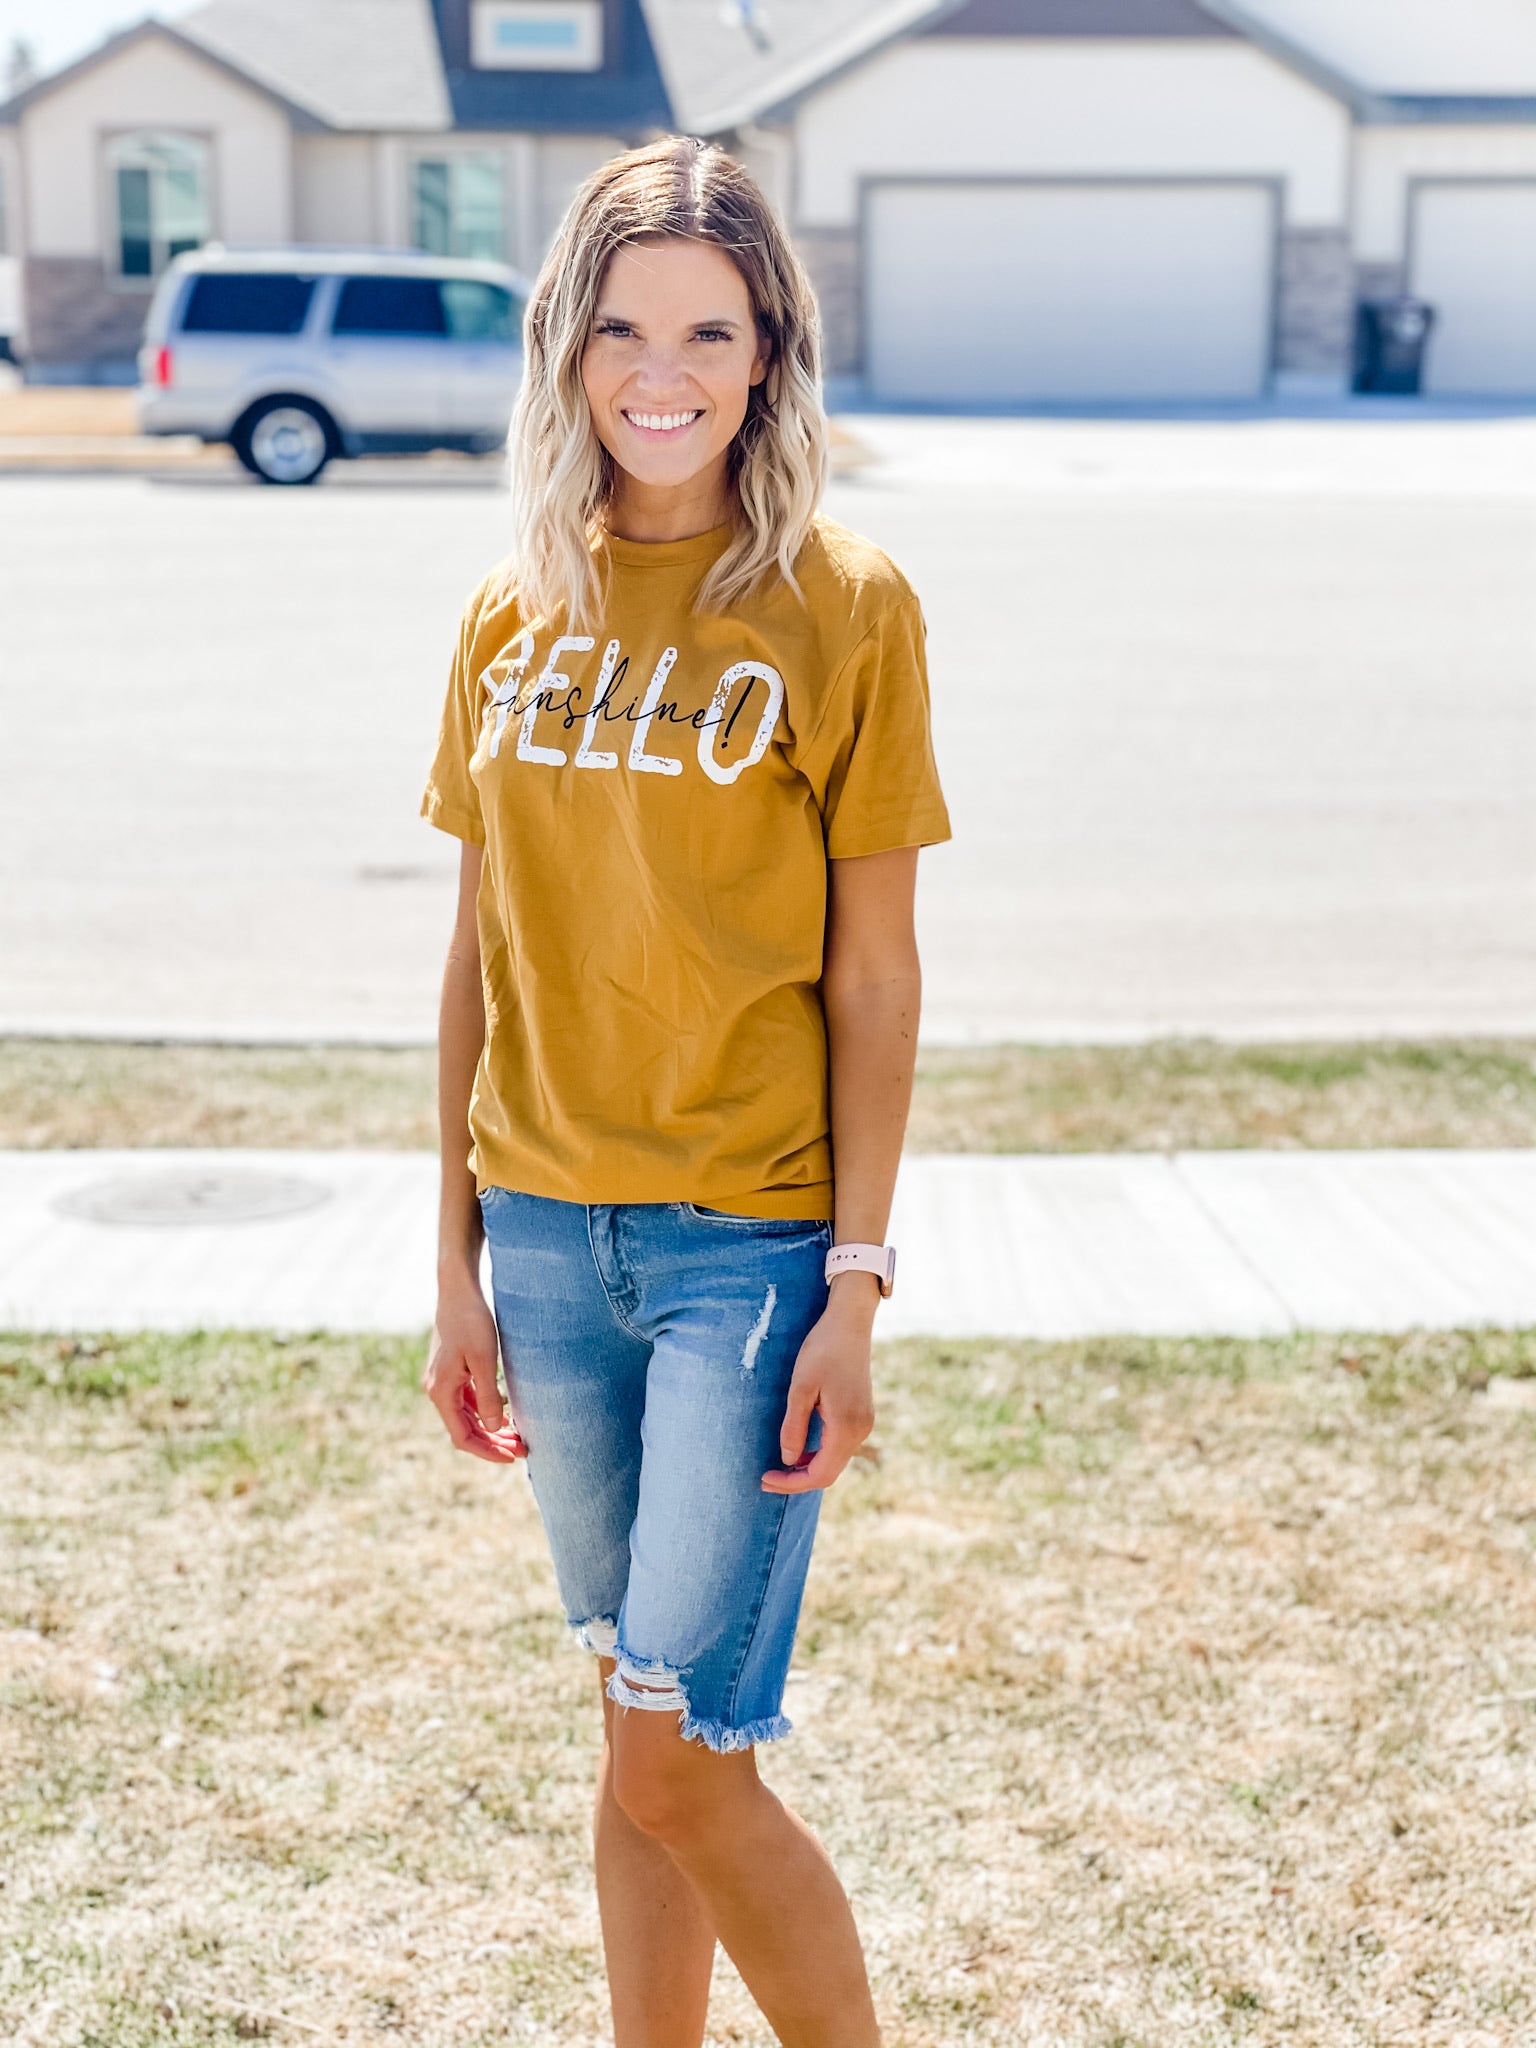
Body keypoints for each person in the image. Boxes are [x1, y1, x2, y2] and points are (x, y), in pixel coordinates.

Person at [420, 135, 949, 2048]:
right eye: (623, 330)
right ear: (566, 348)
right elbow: (479, 956)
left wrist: (856, 1286)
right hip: (550, 1246)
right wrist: (456, 1264)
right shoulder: (508, 612)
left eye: (709, 332)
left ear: (768, 353)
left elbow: (873, 972)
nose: (663, 373)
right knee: (633, 1736)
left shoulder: (843, 604)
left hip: (748, 1249)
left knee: (681, 1760)